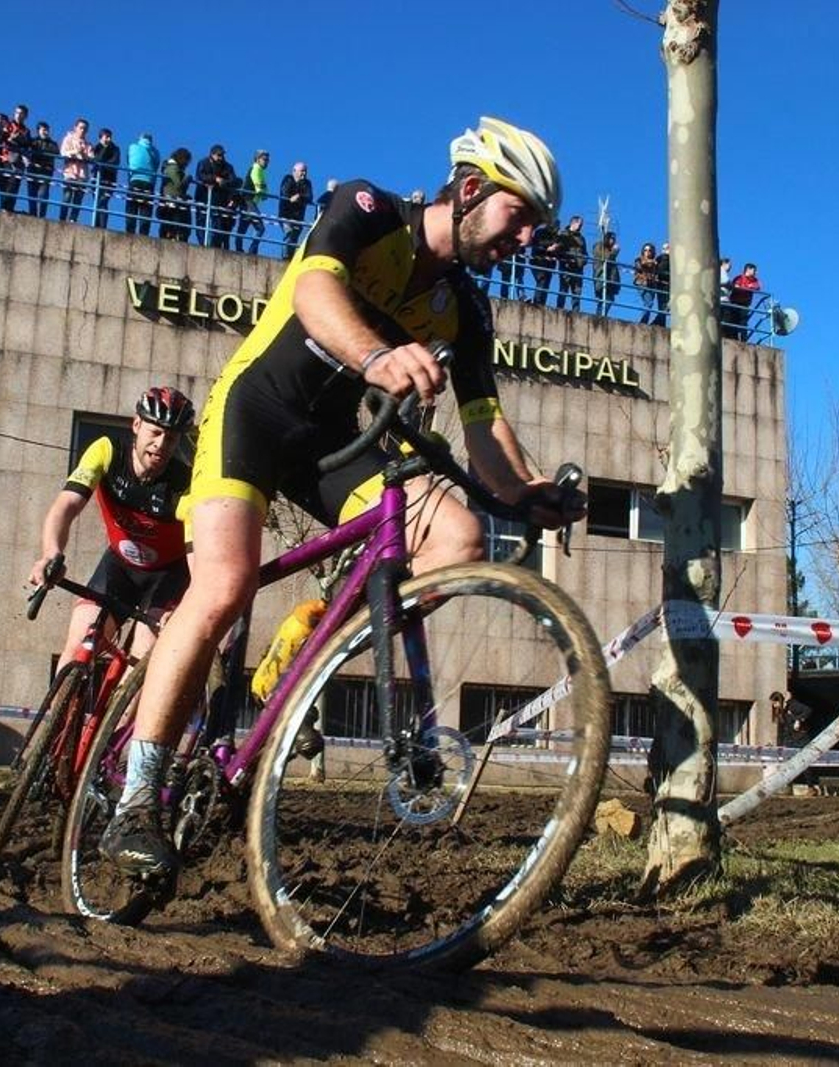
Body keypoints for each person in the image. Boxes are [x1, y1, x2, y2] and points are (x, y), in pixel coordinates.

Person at [97, 116, 585, 880]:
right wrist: (380, 354)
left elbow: (486, 429)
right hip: (254, 413)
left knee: (455, 536)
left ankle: (306, 668)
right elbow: (316, 291)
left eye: (535, 228)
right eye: (519, 217)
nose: (525, 240)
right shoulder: (367, 209)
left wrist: (527, 492)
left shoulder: (466, 307)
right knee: (223, 585)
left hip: (332, 442)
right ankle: (135, 799)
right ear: (468, 190)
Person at [29, 388, 198, 665]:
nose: (161, 444)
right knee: (76, 647)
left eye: (171, 438)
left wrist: (191, 600)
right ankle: (62, 706)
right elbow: (67, 505)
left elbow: (196, 548)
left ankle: (130, 704)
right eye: (155, 433)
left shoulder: (185, 483)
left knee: (144, 658)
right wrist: (51, 553)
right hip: (119, 567)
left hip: (168, 578)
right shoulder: (107, 452)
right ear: (136, 425)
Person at [196, 144, 238, 249]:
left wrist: (224, 183)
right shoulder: (203, 163)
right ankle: (203, 244)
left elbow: (233, 181)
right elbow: (200, 176)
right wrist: (215, 179)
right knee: (201, 222)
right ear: (212, 155)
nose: (221, 158)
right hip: (203, 197)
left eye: (222, 155)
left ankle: (214, 246)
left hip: (220, 200)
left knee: (218, 225)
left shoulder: (228, 167)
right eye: (219, 155)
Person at [125, 131, 161, 236]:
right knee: (146, 209)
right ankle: (144, 233)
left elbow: (129, 160)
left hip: (135, 178)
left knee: (132, 207)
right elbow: (156, 165)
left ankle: (130, 231)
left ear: (140, 138)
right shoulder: (155, 152)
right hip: (149, 181)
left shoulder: (133, 146)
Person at [59, 119, 92, 223]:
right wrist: (75, 152)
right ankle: (62, 218)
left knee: (78, 200)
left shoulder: (87, 144)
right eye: (81, 127)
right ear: (75, 127)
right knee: (67, 197)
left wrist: (83, 155)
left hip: (82, 175)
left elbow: (92, 158)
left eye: (85, 129)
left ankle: (73, 219)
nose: (83, 130)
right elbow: (63, 152)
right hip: (70, 173)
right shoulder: (68, 139)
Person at [238, 150, 270, 254]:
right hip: (248, 201)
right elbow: (259, 186)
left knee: (243, 226)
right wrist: (262, 192)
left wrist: (264, 192)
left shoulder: (260, 170)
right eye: (264, 159)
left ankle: (239, 248)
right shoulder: (256, 168)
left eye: (268, 160)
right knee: (260, 228)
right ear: (257, 159)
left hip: (248, 201)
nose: (267, 162)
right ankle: (252, 250)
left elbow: (264, 188)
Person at [277, 161, 313, 255]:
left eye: (305, 171)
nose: (304, 173)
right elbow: (284, 192)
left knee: (295, 238)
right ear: (294, 171)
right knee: (288, 233)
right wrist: (291, 198)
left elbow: (309, 197)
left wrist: (299, 196)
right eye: (302, 171)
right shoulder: (288, 179)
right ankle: (285, 257)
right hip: (285, 214)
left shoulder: (307, 183)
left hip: (298, 217)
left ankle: (290, 258)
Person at [158, 147, 193, 241]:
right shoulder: (172, 168)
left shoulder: (171, 167)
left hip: (172, 200)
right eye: (187, 161)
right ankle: (172, 236)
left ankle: (173, 235)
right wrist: (187, 179)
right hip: (172, 200)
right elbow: (178, 184)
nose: (187, 164)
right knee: (173, 222)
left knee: (172, 223)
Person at [26, 121, 59, 219]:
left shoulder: (53, 143)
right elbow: (26, 149)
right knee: (32, 195)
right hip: (32, 171)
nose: (46, 132)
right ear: (38, 131)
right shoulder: (33, 141)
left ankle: (42, 216)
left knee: (43, 195)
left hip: (46, 172)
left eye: (47, 130)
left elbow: (56, 152)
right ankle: (33, 214)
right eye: (44, 130)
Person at [91, 128, 122, 229]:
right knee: (97, 202)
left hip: (109, 180)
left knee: (103, 202)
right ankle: (96, 225)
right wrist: (103, 149)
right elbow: (95, 160)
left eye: (110, 137)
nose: (108, 139)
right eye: (106, 137)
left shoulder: (115, 149)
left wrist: (102, 164)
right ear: (101, 137)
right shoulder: (96, 148)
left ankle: (102, 227)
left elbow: (114, 162)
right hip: (96, 179)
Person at [555, 215, 586, 311]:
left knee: (577, 292)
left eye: (581, 225)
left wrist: (582, 261)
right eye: (579, 224)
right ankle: (559, 310)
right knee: (563, 290)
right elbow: (558, 250)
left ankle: (576, 312)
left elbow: (585, 253)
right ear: (573, 223)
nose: (581, 226)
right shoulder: (563, 235)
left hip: (578, 269)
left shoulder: (581, 238)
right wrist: (566, 259)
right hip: (566, 267)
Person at [726, 262, 761, 341]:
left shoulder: (754, 280)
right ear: (748, 269)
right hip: (735, 302)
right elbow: (735, 286)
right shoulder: (739, 278)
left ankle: (743, 339)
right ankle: (734, 338)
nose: (756, 272)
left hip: (745, 304)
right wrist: (747, 287)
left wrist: (748, 287)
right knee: (734, 320)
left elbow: (757, 287)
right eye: (754, 270)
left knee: (743, 322)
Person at [527, 221, 558, 305]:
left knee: (546, 284)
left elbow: (556, 249)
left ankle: (542, 303)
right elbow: (537, 245)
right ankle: (537, 301)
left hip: (549, 264)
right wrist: (548, 248)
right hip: (538, 261)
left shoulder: (555, 236)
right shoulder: (540, 232)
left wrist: (555, 253)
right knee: (541, 280)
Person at [632, 242, 662, 325]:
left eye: (649, 250)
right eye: (645, 250)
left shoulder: (655, 264)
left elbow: (656, 273)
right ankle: (643, 322)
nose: (647, 252)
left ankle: (644, 321)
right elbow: (641, 265)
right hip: (642, 283)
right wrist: (652, 262)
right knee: (649, 303)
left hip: (652, 285)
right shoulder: (639, 259)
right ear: (643, 251)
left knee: (649, 303)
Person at [593, 230, 621, 317]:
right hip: (602, 276)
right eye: (611, 238)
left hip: (610, 279)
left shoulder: (610, 249)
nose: (613, 241)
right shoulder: (599, 247)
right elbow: (606, 260)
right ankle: (600, 316)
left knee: (608, 299)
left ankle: (601, 315)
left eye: (614, 239)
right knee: (605, 299)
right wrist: (614, 252)